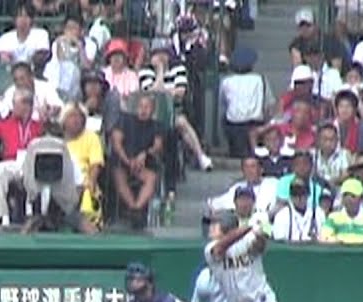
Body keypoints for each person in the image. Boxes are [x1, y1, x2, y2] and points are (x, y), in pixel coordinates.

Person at [140, 41, 212, 171]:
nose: (161, 57)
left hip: (172, 110)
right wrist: (160, 71)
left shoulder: (178, 69)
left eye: (164, 53)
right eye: (157, 54)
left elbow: (180, 92)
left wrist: (161, 91)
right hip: (151, 113)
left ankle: (201, 156)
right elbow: (150, 94)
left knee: (181, 122)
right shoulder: (145, 71)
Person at [109, 93, 163, 229]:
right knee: (119, 176)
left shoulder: (157, 126)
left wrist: (145, 154)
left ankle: (137, 208)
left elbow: (157, 146)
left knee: (151, 178)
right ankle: (134, 208)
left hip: (144, 164)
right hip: (123, 160)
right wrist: (127, 160)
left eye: (147, 107)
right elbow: (116, 142)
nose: (143, 110)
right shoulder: (124, 120)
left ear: (153, 110)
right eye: (141, 106)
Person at [0, 89, 43, 227]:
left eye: (16, 104)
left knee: (34, 172)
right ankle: (1, 215)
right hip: (12, 163)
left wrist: (46, 117)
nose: (13, 107)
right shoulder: (6, 123)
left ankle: (32, 215)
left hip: (32, 163)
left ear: (27, 106)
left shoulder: (38, 126)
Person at [220, 47, 274, 159]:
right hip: (255, 124)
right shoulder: (260, 79)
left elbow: (224, 103)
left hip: (234, 126)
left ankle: (234, 148)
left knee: (224, 118)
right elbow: (269, 105)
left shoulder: (226, 81)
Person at [320, 178, 363, 244]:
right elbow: (324, 238)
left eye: (353, 196)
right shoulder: (333, 218)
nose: (348, 199)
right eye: (345, 195)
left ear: (361, 198)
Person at [272, 177, 325, 242]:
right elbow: (280, 243)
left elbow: (324, 239)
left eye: (302, 194)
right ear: (290, 196)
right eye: (295, 194)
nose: (299, 198)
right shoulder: (282, 216)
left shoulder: (319, 213)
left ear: (308, 194)